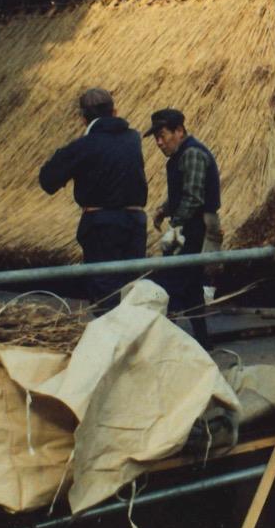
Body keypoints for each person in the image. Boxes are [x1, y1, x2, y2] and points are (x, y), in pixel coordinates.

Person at [39, 88, 148, 313]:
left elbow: (48, 180)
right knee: (132, 289)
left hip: (102, 224)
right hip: (135, 222)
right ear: (115, 111)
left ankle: (108, 343)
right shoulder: (133, 138)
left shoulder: (84, 146)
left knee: (105, 290)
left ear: (83, 118)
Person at [146, 108, 221, 346]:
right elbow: (182, 194)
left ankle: (166, 343)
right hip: (188, 227)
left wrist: (174, 226)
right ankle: (202, 341)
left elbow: (194, 198)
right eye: (156, 137)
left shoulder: (192, 154)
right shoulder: (181, 156)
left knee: (170, 283)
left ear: (179, 131)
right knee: (190, 290)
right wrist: (163, 210)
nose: (159, 142)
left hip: (194, 229)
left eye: (163, 135)